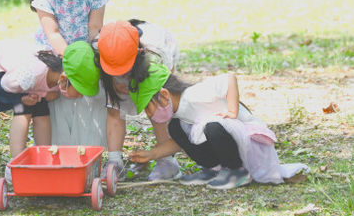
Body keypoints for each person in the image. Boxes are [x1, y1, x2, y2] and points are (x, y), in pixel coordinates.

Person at [129, 63, 309, 189]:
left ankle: (236, 171)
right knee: (177, 128)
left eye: (147, 107)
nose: (148, 114)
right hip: (230, 139)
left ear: (164, 95)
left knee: (213, 126)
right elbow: (179, 142)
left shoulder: (194, 95)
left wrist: (232, 111)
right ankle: (213, 169)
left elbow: (228, 79)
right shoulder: (179, 114)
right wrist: (152, 154)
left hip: (249, 144)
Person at [29, 0, 111, 148]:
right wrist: (70, 59)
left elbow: (95, 27)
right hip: (56, 54)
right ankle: (61, 150)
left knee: (87, 99)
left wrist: (83, 60)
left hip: (85, 52)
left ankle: (89, 148)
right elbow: (52, 33)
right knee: (60, 103)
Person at [0, 40, 100, 182]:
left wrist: (40, 96)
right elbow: (8, 85)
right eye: (80, 90)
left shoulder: (58, 74)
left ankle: (44, 159)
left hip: (22, 80)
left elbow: (45, 92)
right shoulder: (31, 74)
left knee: (42, 110)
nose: (81, 95)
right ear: (64, 79)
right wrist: (32, 96)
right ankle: (15, 165)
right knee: (23, 109)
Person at [96, 19, 181, 181]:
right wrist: (116, 82)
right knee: (114, 108)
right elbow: (114, 114)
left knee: (157, 109)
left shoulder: (155, 57)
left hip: (151, 64)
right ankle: (115, 161)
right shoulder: (106, 49)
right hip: (124, 56)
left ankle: (167, 161)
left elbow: (162, 111)